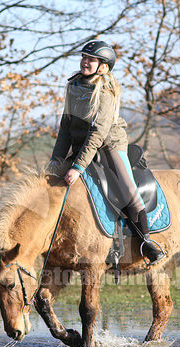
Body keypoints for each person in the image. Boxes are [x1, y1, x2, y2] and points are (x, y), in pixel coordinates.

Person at [49, 40, 165, 265]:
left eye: (90, 59)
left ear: (103, 66)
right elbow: (65, 126)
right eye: (83, 57)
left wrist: (78, 166)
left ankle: (145, 241)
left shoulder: (106, 91)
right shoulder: (73, 86)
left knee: (128, 190)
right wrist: (56, 159)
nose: (85, 61)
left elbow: (98, 132)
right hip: (82, 145)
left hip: (109, 144)